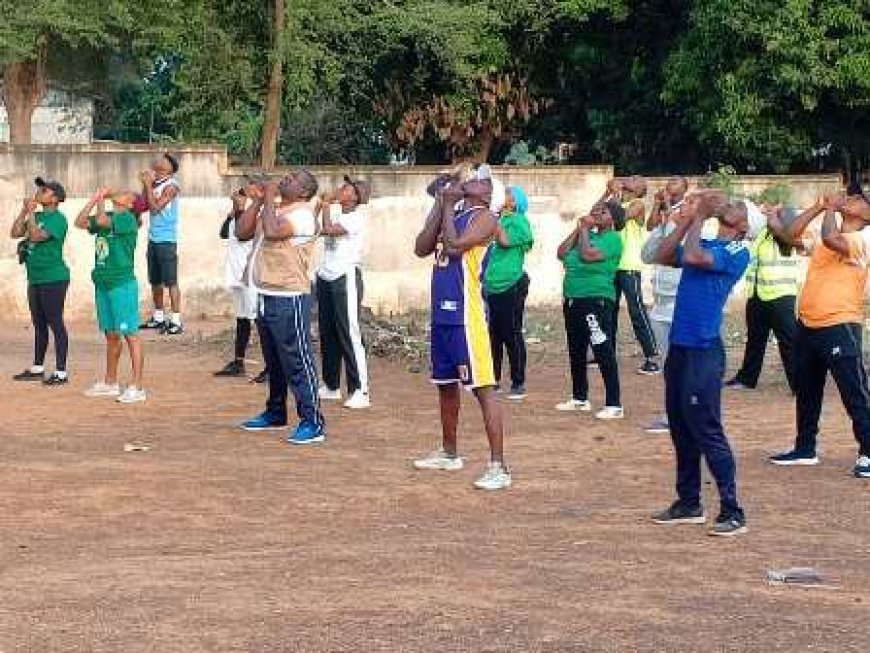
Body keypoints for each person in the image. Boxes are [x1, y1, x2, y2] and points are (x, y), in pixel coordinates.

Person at [648, 192, 751, 537]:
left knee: (707, 428)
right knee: (680, 426)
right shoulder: (705, 241)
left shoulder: (736, 250)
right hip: (681, 347)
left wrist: (700, 217)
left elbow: (693, 256)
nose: (729, 204)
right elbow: (663, 255)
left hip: (703, 350)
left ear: (743, 225)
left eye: (737, 207)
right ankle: (689, 502)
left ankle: (732, 510)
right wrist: (689, 223)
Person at [412, 175, 510, 491]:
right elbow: (421, 247)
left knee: (483, 387)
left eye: (482, 181)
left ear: (488, 194)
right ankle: (449, 452)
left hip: (467, 317)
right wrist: (439, 203)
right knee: (445, 385)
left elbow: (454, 248)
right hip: (442, 314)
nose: (473, 180)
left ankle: (499, 466)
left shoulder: (486, 217)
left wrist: (448, 205)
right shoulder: (452, 212)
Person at [767, 184, 870, 478]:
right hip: (808, 323)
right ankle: (805, 448)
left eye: (859, 198)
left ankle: (868, 451)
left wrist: (830, 209)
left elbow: (831, 239)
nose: (851, 198)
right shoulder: (829, 227)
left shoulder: (864, 237)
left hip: (840, 323)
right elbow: (790, 236)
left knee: (855, 393)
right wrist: (818, 207)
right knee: (807, 391)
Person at [235, 171, 326, 445]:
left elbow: (274, 233)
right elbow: (242, 232)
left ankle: (312, 422)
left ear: (304, 192)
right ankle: (275, 411)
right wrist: (259, 201)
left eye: (294, 178)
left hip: (289, 295)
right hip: (265, 292)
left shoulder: (302, 215)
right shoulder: (275, 209)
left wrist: (269, 195)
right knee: (274, 360)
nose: (286, 178)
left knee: (297, 359)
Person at [75, 187, 147, 403]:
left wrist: (100, 199)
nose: (119, 192)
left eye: (126, 193)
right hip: (103, 283)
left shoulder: (127, 219)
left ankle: (137, 386)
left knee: (130, 335)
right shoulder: (110, 215)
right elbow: (80, 222)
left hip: (121, 285)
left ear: (130, 204)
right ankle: (110, 382)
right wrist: (94, 199)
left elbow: (101, 221)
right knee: (111, 335)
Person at [555, 202, 625, 419]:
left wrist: (584, 230)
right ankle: (579, 398)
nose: (596, 213)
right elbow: (561, 252)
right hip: (573, 298)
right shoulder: (585, 235)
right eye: (595, 210)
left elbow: (587, 255)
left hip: (595, 298)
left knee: (602, 348)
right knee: (576, 349)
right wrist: (579, 229)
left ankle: (614, 403)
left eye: (603, 211)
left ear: (613, 219)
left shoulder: (613, 239)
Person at [725, 203, 799, 392]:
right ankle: (747, 378)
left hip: (781, 297)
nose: (772, 216)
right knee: (755, 340)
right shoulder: (763, 234)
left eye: (778, 215)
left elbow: (774, 225)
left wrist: (770, 214)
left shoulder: (788, 237)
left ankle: (800, 384)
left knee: (789, 342)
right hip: (757, 294)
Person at [315, 175, 372, 410]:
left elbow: (329, 230)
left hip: (345, 276)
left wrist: (325, 206)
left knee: (349, 332)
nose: (341, 189)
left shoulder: (356, 218)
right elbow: (320, 230)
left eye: (347, 188)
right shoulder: (338, 213)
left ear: (356, 197)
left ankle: (360, 390)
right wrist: (323, 207)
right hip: (326, 275)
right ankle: (331, 385)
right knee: (328, 332)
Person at [10, 177, 71, 386]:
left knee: (55, 322)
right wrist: (24, 212)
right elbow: (15, 233)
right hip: (35, 277)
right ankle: (37, 367)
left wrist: (31, 215)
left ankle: (61, 372)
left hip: (54, 277)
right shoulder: (36, 215)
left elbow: (36, 236)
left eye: (44, 190)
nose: (39, 192)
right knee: (39, 323)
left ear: (55, 199)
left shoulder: (58, 219)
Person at [641, 177, 688, 433]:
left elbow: (676, 244)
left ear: (685, 188)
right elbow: (648, 251)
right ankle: (673, 412)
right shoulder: (663, 213)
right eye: (669, 182)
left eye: (675, 183)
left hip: (679, 298)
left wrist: (670, 213)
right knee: (669, 362)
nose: (669, 185)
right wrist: (659, 208)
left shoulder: (688, 215)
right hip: (660, 298)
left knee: (682, 362)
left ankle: (683, 413)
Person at [484, 184, 534, 400]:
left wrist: (494, 219)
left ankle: (518, 381)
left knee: (511, 332)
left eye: (507, 195)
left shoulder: (519, 221)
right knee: (494, 334)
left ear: (515, 202)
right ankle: (492, 379)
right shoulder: (501, 219)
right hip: (493, 283)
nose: (502, 197)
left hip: (511, 282)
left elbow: (504, 241)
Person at [607, 176, 660, 374]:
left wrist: (613, 194)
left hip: (629, 266)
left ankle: (651, 356)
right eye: (630, 178)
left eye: (635, 180)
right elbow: (596, 212)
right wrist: (608, 194)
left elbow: (620, 220)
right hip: (612, 265)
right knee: (608, 310)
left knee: (636, 311)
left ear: (640, 190)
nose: (631, 179)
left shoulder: (637, 204)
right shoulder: (616, 201)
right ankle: (606, 351)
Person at [215, 183, 262, 378]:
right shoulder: (237, 216)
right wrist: (232, 213)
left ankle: (271, 366)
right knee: (242, 319)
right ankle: (238, 361)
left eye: (244, 194)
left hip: (249, 274)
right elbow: (224, 233)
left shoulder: (254, 216)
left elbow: (243, 236)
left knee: (258, 319)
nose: (239, 197)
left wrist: (240, 208)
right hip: (236, 274)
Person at [140, 153, 183, 335]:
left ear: (170, 168)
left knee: (171, 282)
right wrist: (146, 185)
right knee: (155, 281)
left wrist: (148, 185)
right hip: (153, 239)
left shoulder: (171, 186)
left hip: (167, 240)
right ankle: (158, 317)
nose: (158, 162)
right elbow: (144, 204)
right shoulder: (155, 183)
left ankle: (176, 320)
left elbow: (155, 208)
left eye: (164, 160)